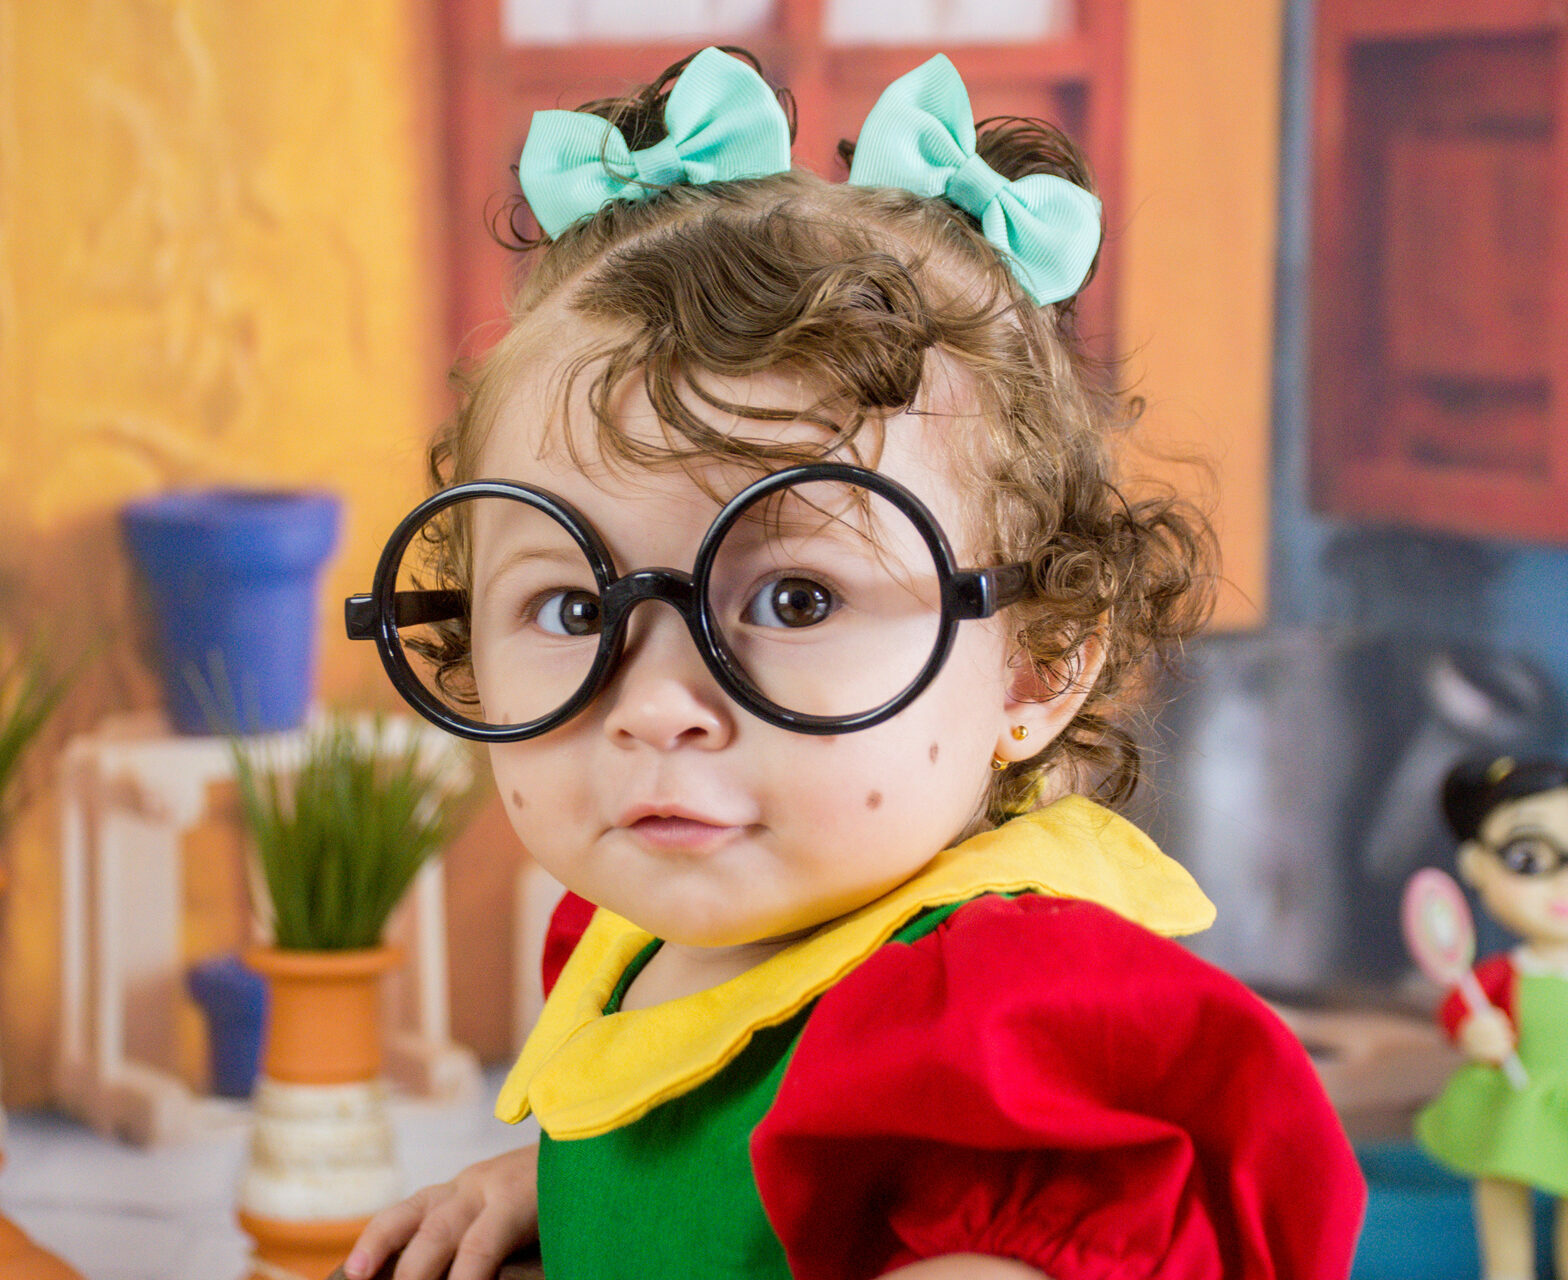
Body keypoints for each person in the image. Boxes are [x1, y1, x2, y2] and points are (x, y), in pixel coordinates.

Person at [337, 46, 1364, 1280]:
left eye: (796, 597)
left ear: (1036, 665)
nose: (655, 704)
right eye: (569, 605)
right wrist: (553, 1183)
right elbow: (727, 1160)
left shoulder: (994, 1021)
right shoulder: (639, 935)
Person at [1418, 755, 1568, 1280]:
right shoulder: (1506, 973)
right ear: (1478, 864)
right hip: (1516, 1098)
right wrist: (1474, 1032)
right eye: (1529, 858)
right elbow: (1460, 1009)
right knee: (1502, 1184)